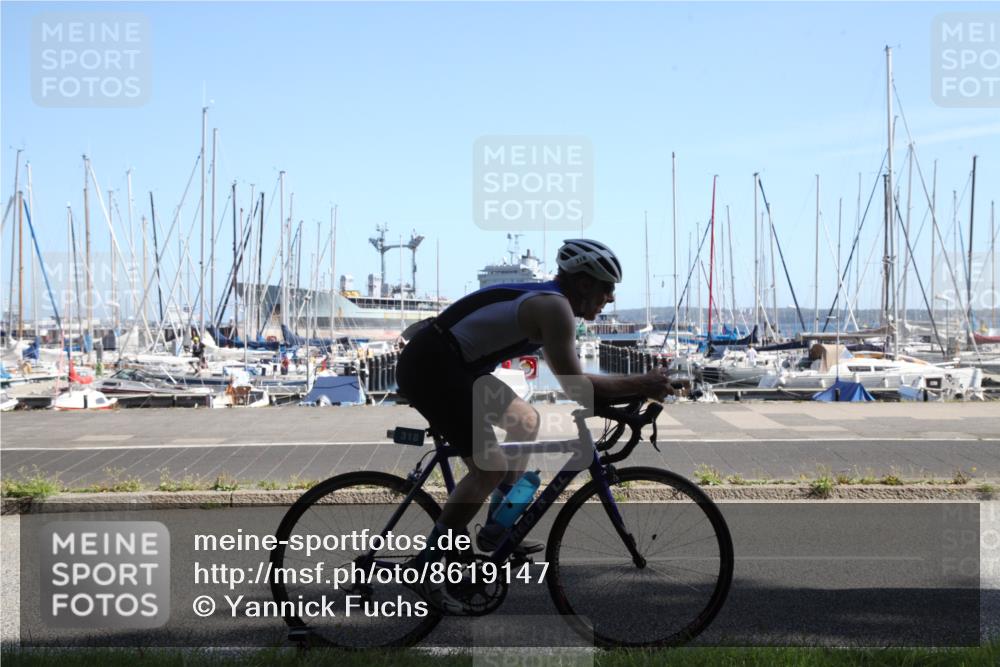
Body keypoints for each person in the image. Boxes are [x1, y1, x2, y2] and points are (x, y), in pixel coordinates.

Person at [395, 239, 681, 614]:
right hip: (433, 368)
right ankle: (424, 568)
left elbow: (582, 389)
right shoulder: (554, 309)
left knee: (526, 420)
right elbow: (577, 387)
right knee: (490, 467)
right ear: (584, 284)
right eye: (607, 288)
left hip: (457, 368)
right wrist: (642, 383)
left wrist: (632, 393)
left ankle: (496, 528)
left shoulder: (553, 304)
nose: (610, 298)